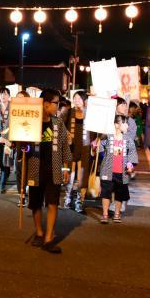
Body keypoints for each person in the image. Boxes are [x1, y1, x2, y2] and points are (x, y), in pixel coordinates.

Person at [26, 89, 72, 254]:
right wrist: (22, 145)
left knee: (53, 202)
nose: (58, 106)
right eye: (56, 103)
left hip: (54, 169)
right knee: (36, 203)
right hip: (34, 167)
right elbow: (22, 146)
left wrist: (66, 167)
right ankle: (39, 232)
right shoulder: (31, 120)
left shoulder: (58, 122)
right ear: (45, 104)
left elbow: (65, 146)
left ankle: (48, 238)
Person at [98, 115, 138, 223]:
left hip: (122, 172)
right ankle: (105, 214)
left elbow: (132, 153)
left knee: (119, 194)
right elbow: (100, 150)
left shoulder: (128, 139)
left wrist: (130, 164)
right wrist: (96, 148)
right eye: (124, 123)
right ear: (116, 125)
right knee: (106, 192)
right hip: (108, 170)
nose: (127, 126)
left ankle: (117, 213)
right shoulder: (107, 137)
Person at [63, 90, 92, 213]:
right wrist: (66, 135)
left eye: (79, 99)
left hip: (85, 148)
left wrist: (96, 142)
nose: (76, 101)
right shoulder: (69, 112)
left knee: (82, 175)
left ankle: (79, 201)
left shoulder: (91, 114)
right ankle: (68, 198)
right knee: (69, 173)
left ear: (85, 101)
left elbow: (97, 131)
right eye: (75, 98)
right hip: (71, 147)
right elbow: (60, 125)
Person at [0, 87, 12, 193]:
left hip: (8, 139)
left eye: (5, 94)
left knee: (6, 161)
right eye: (1, 94)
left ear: (9, 96)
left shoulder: (13, 107)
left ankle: (3, 184)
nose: (3, 96)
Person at [14, 90, 30, 206]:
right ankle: (22, 196)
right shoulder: (14, 112)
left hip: (30, 146)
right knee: (19, 172)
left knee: (30, 172)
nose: (19, 100)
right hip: (18, 146)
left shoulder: (32, 111)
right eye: (17, 97)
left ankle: (30, 194)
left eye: (21, 97)